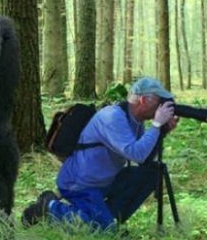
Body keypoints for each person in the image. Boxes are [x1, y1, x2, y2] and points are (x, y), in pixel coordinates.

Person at [22, 77, 178, 230]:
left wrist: (161, 132)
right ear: (143, 100)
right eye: (159, 102)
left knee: (151, 172)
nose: (161, 107)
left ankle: (106, 217)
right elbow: (136, 154)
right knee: (101, 229)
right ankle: (49, 207)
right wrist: (156, 125)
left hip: (106, 181)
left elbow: (145, 159)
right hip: (81, 184)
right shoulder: (113, 117)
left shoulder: (136, 121)